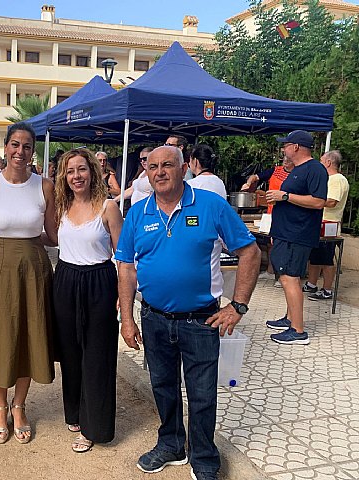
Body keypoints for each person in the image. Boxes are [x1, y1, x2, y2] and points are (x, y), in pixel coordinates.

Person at [116, 146, 260, 480]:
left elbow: (249, 252)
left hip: (201, 321)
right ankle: (171, 445)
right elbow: (125, 267)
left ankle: (205, 458)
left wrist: (237, 306)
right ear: (146, 173)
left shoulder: (210, 206)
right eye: (152, 167)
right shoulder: (138, 213)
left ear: (185, 169)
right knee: (163, 387)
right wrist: (127, 318)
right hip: (153, 318)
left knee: (202, 394)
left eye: (168, 165)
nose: (160, 172)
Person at [0, 122, 58, 445]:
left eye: (27, 146)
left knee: (28, 336)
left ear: (33, 151)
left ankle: (19, 407)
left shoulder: (44, 186)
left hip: (34, 266)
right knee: (2, 335)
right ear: (5, 148)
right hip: (0, 266)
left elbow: (55, 234)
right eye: (15, 145)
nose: (20, 152)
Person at [53, 148, 123, 453]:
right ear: (64, 177)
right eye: (70, 171)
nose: (76, 176)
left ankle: (95, 426)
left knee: (97, 355)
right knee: (70, 352)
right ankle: (75, 412)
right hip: (66, 279)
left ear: (93, 171)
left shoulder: (108, 207)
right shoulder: (61, 206)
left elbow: (122, 257)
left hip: (99, 282)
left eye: (81, 169)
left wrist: (124, 295)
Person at [265, 130, 327, 345]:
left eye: (286, 145)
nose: (283, 148)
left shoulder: (315, 169)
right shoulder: (297, 169)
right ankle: (290, 318)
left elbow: (319, 201)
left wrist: (285, 196)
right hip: (286, 232)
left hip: (297, 233)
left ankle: (298, 330)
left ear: (296, 147)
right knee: (286, 276)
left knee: (289, 277)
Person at [303, 150, 348, 301]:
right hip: (319, 222)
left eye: (321, 161)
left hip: (329, 224)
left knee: (326, 258)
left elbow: (332, 201)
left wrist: (312, 201)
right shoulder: (328, 179)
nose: (319, 164)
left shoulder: (337, 180)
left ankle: (327, 289)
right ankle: (311, 284)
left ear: (328, 162)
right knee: (315, 256)